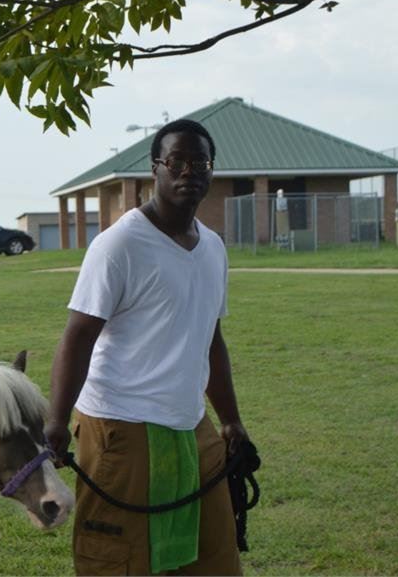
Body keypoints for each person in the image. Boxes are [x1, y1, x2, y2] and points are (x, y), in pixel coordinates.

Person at [45, 119, 249, 576]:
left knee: (215, 557)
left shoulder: (213, 248)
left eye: (200, 163)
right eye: (176, 161)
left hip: (190, 425)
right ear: (155, 168)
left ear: (211, 173)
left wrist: (231, 419)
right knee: (121, 562)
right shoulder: (119, 244)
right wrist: (57, 421)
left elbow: (210, 339)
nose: (188, 172)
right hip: (121, 429)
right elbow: (78, 337)